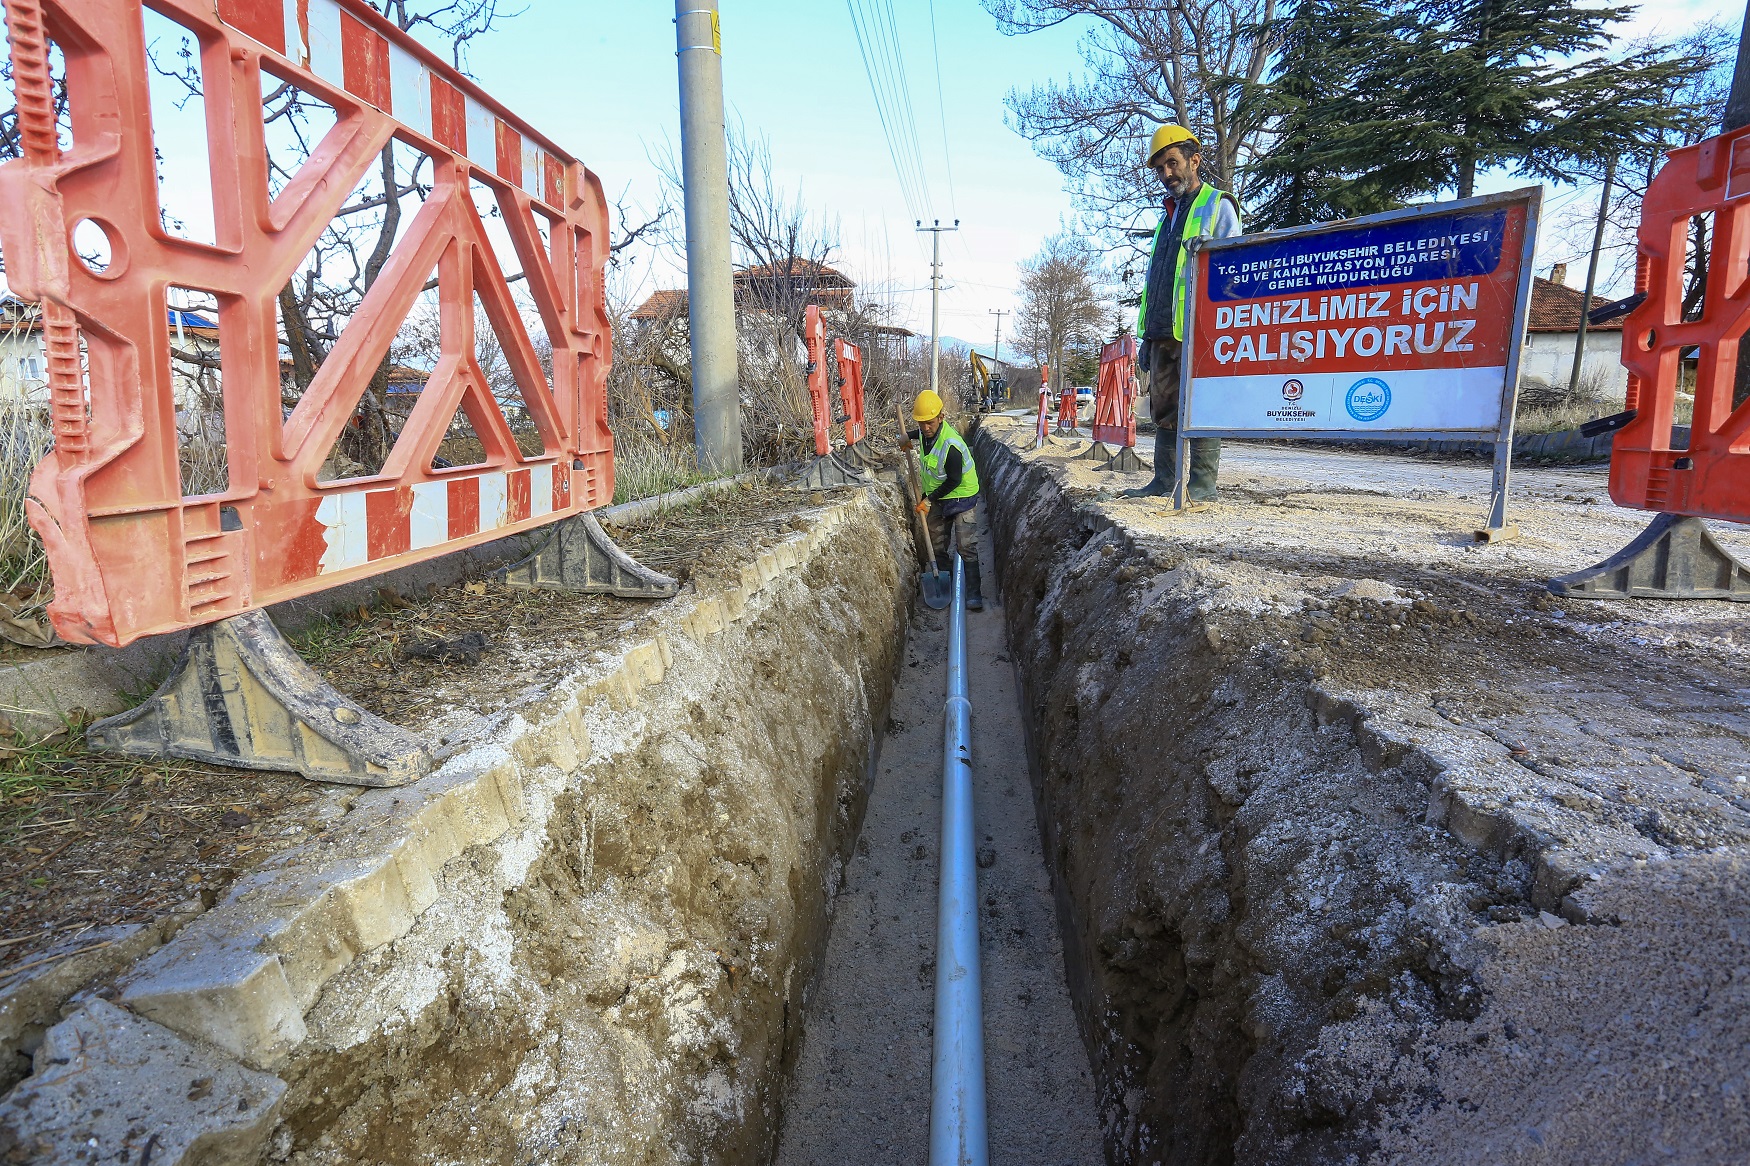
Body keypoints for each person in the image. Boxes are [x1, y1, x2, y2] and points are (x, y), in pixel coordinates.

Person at [1123, 124, 1242, 502]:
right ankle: (1164, 481)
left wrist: (1221, 328)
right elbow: (1160, 281)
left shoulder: (1216, 206)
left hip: (1200, 330)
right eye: (1160, 168)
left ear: (1195, 160)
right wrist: (1147, 335)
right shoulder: (1167, 219)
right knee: (1165, 409)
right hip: (1164, 331)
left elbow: (1233, 271)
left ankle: (1203, 487)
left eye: (1172, 163)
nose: (1167, 174)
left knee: (1201, 405)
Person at [907, 388, 984, 612]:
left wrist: (929, 500)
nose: (925, 428)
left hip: (961, 496)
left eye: (929, 422)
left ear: (941, 417)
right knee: (935, 540)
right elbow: (918, 434)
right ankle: (944, 576)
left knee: (966, 545)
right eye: (921, 423)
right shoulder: (925, 432)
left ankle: (973, 593)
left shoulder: (951, 446)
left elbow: (953, 480)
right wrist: (906, 437)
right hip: (938, 496)